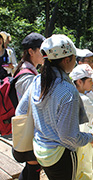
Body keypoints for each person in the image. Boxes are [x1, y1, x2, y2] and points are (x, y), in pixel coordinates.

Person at [15, 34, 93, 180]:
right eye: (75, 57)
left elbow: (20, 111)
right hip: (60, 155)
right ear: (67, 60)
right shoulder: (68, 91)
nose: (76, 61)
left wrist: (42, 127)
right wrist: (91, 137)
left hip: (40, 149)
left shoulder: (37, 80)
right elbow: (68, 137)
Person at [12, 32, 46, 180]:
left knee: (31, 169)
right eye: (42, 50)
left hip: (29, 127)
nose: (46, 54)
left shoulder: (28, 71)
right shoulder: (27, 77)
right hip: (29, 129)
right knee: (33, 169)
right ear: (31, 51)